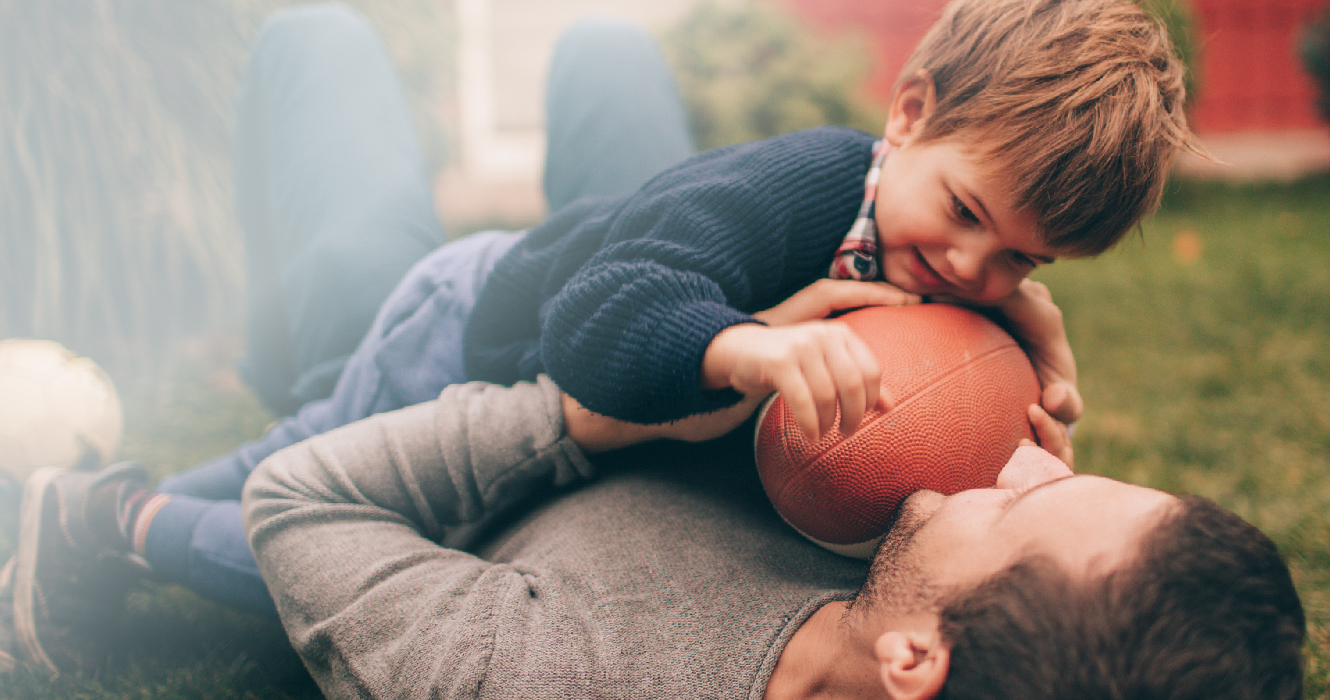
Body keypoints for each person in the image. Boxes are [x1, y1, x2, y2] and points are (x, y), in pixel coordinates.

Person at [1, 0, 1203, 676]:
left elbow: (964, 336)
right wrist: (746, 349)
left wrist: (1033, 351)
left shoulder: (945, 243)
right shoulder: (815, 183)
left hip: (615, 310)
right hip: (477, 336)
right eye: (969, 219)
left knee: (624, 104)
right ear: (905, 116)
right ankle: (103, 515)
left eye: (1024, 261)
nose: (973, 271)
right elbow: (595, 328)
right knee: (313, 463)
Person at [237, 375, 1305, 699]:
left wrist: (603, 408)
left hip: (414, 377)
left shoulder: (553, 677)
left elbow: (299, 501)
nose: (1022, 463)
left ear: (916, 655)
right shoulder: (904, 561)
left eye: (1022, 503)